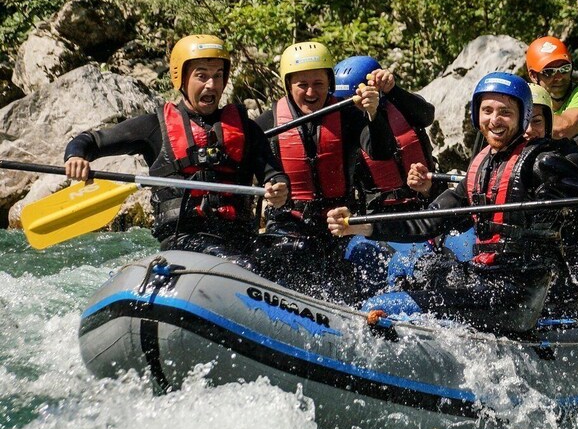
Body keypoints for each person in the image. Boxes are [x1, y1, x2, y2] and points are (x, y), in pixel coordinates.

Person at [328, 72, 578, 334]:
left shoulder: (543, 164)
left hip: (519, 296)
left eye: (505, 113)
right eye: (487, 111)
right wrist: (361, 226)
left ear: (523, 118)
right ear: (477, 116)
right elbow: (427, 222)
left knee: (383, 307)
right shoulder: (481, 168)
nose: (495, 120)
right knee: (406, 268)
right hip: (486, 279)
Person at [64, 34, 289, 262]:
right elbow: (90, 141)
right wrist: (76, 156)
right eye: (201, 76)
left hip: (239, 237)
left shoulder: (246, 129)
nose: (211, 84)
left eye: (218, 76)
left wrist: (278, 188)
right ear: (181, 78)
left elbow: (273, 173)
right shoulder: (153, 127)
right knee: (239, 263)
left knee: (280, 260)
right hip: (184, 240)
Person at [253, 42, 396, 298]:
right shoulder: (267, 123)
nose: (311, 92)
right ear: (288, 86)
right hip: (288, 224)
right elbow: (251, 168)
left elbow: (382, 152)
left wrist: (374, 114)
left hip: (338, 224)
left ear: (329, 82)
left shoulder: (348, 115)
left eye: (318, 83)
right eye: (302, 85)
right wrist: (267, 187)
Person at [334, 55, 439, 212]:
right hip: (380, 210)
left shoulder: (401, 103)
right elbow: (380, 150)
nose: (351, 104)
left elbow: (427, 116)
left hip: (428, 196)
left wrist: (392, 89)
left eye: (352, 97)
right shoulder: (345, 125)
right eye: (345, 99)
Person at [526, 36, 578, 154]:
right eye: (549, 72)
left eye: (564, 69)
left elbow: (562, 129)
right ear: (533, 75)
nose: (559, 77)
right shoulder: (531, 101)